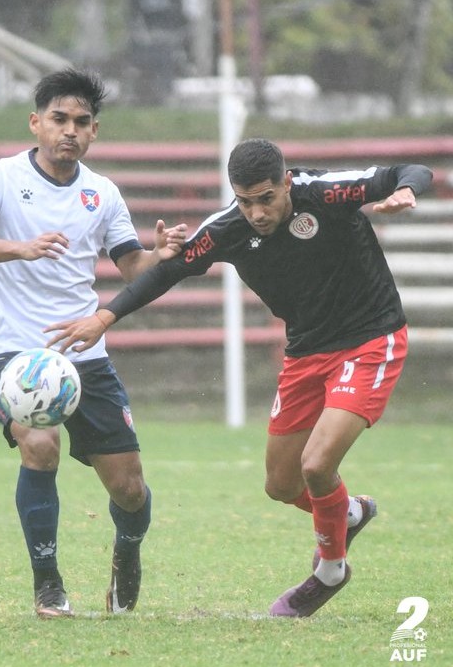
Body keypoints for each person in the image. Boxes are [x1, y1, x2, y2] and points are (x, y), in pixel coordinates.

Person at [44, 138, 433, 618]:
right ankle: (349, 513)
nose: (256, 212)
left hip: (370, 340)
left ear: (286, 183)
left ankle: (330, 570)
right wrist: (105, 317)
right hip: (306, 352)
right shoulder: (227, 228)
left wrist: (407, 192)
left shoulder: (324, 193)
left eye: (266, 198)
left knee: (315, 466)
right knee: (282, 484)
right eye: (245, 201)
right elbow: (166, 273)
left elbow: (408, 168)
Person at [0, 68, 187, 618]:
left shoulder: (103, 193)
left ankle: (127, 550)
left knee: (130, 490)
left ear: (94, 131)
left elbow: (132, 268)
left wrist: (160, 255)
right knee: (40, 446)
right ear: (36, 122)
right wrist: (19, 248)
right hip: (15, 356)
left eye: (80, 122)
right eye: (58, 119)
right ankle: (48, 582)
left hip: (84, 356)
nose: (68, 130)